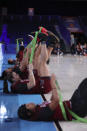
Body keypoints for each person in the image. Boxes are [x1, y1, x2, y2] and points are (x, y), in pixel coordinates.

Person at [18, 74, 87, 121]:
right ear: (29, 113)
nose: (29, 103)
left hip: (72, 102)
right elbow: (56, 100)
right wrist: (52, 83)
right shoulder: (41, 113)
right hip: (76, 109)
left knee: (85, 82)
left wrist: (54, 89)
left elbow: (52, 101)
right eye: (28, 105)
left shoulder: (38, 108)